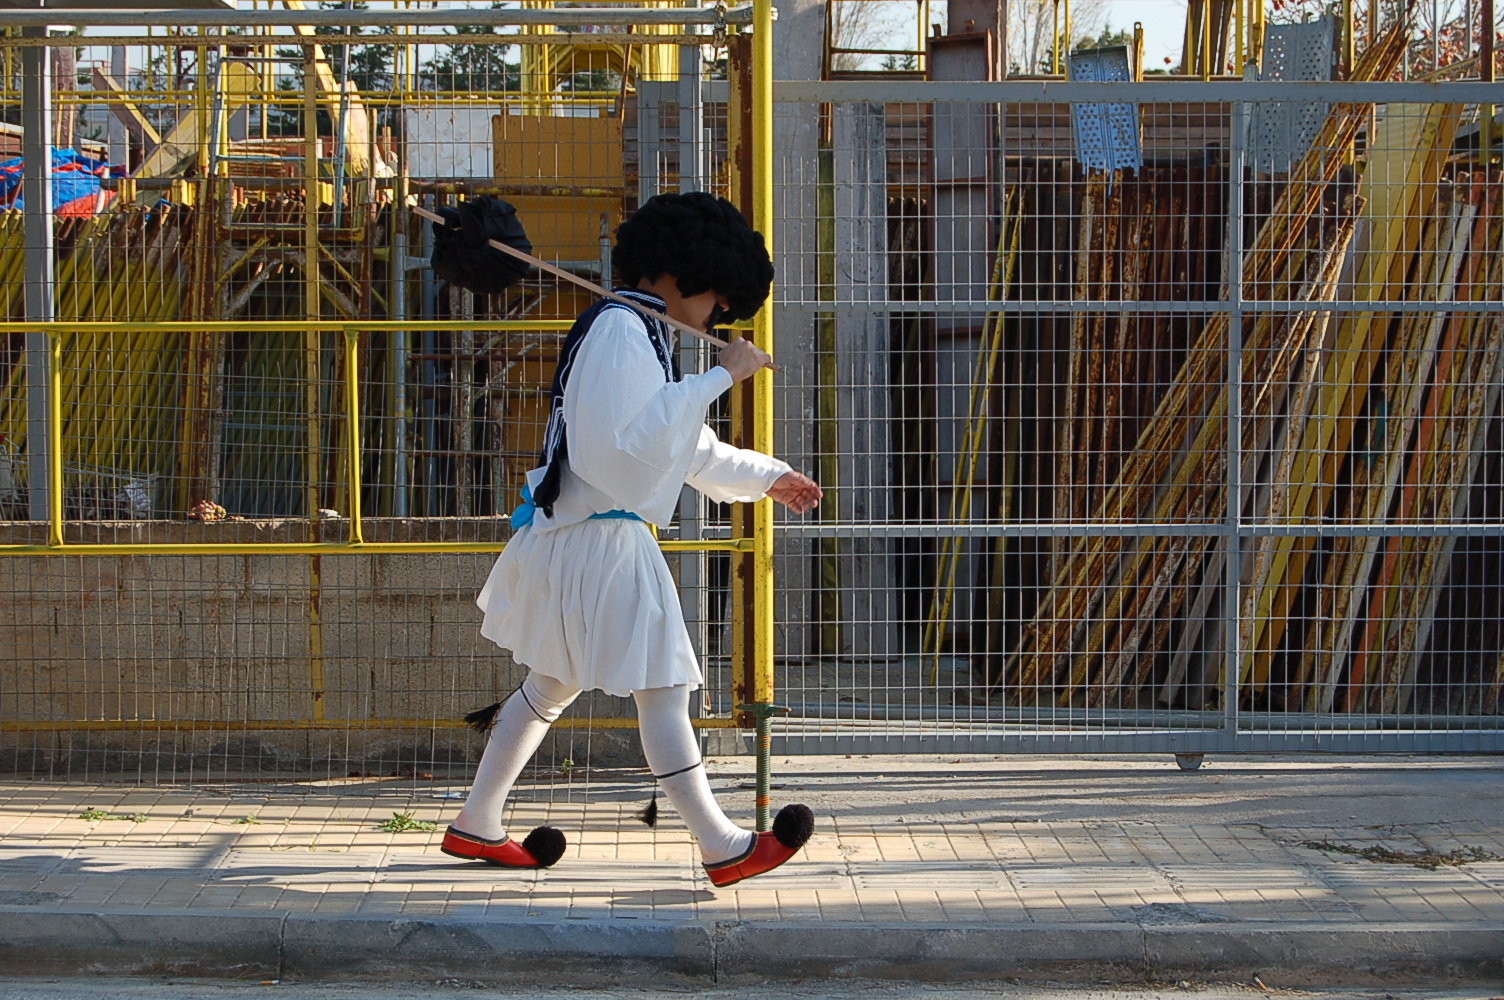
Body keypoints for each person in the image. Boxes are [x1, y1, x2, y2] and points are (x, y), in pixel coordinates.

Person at [441, 192, 823, 888]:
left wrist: (768, 477)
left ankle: (476, 823)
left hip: (577, 538)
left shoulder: (633, 330)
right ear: (680, 276)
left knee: (552, 684)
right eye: (716, 300)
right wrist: (720, 375)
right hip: (602, 542)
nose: (717, 317)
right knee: (664, 686)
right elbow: (621, 451)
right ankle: (723, 845)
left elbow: (677, 445)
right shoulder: (621, 330)